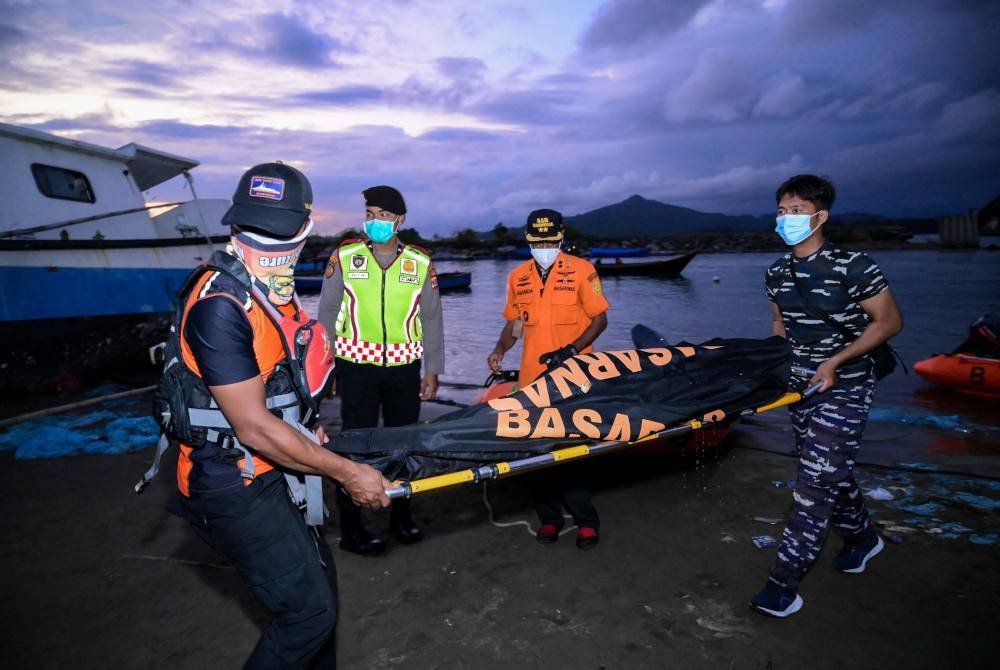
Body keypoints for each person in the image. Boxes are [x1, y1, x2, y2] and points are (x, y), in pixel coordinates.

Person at [166, 163, 391, 667]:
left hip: (274, 471)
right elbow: (252, 426)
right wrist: (348, 473)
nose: (265, 242)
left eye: (276, 231)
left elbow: (279, 381)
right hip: (232, 483)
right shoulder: (220, 305)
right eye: (254, 228)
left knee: (321, 592)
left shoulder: (269, 293)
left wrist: (306, 426)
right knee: (306, 615)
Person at [751, 174, 903, 618]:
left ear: (820, 216)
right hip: (800, 389)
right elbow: (781, 330)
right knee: (827, 471)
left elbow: (889, 322)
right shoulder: (777, 272)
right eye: (781, 210)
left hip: (847, 386)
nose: (786, 218)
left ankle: (782, 585)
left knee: (813, 484)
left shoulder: (853, 265)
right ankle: (862, 538)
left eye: (795, 210)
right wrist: (774, 374)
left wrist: (835, 362)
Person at [317, 185, 444, 555]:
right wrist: (326, 368)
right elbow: (326, 314)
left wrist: (432, 369)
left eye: (384, 216)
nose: (375, 222)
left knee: (404, 444)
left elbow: (432, 318)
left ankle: (401, 518)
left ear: (400, 221)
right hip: (355, 368)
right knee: (356, 446)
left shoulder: (419, 262)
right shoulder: (346, 256)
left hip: (405, 369)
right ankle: (353, 529)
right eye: (370, 214)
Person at [487, 209, 609, 549]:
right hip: (532, 382)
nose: (544, 246)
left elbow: (599, 321)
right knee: (537, 454)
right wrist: (499, 350)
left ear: (561, 236)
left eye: (550, 240)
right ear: (527, 239)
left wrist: (570, 350)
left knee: (573, 451)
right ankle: (550, 519)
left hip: (575, 377)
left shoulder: (583, 271)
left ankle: (586, 521)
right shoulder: (517, 276)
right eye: (537, 241)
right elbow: (514, 325)